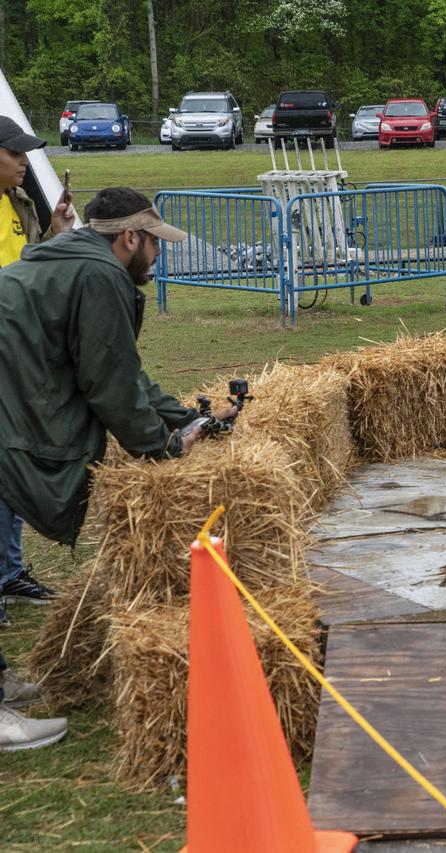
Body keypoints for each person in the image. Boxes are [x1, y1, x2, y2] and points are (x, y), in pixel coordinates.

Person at [0, 187, 230, 750]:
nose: (158, 255)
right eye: (155, 243)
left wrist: (182, 417)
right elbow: (108, 385)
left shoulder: (75, 261)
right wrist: (164, 450)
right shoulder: (100, 277)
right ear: (130, 237)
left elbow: (118, 368)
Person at [0, 116, 76, 612]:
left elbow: (26, 268)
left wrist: (54, 233)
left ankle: (7, 572)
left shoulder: (15, 202)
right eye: (17, 153)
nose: (26, 162)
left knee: (10, 461)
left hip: (13, 349)